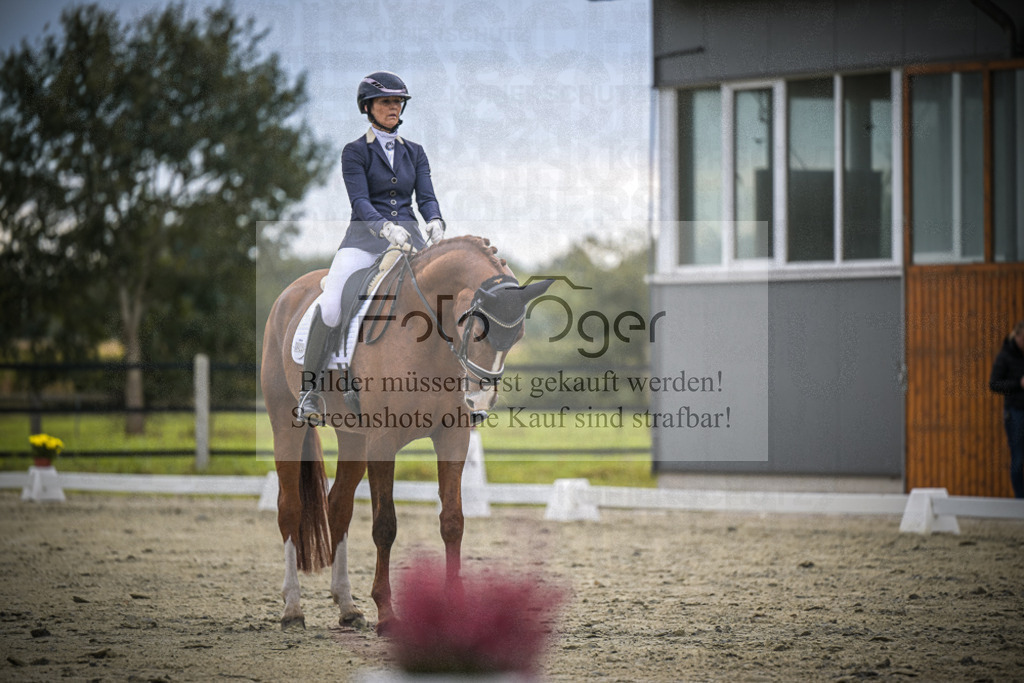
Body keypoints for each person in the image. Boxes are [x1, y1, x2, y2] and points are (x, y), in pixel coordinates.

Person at [297, 71, 446, 425]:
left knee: (440, 301)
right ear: (369, 107)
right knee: (332, 306)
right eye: (385, 102)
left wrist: (436, 221)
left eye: (397, 102)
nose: (393, 107)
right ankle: (310, 391)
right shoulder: (354, 152)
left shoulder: (416, 152)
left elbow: (425, 196)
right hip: (364, 241)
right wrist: (384, 227)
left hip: (411, 242)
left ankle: (452, 387)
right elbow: (360, 201)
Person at [989, 320, 1024, 498]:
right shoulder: (1005, 356)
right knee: (1018, 458)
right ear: (1017, 336)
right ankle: (1020, 499)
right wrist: (1018, 384)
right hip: (1015, 412)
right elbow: (994, 384)